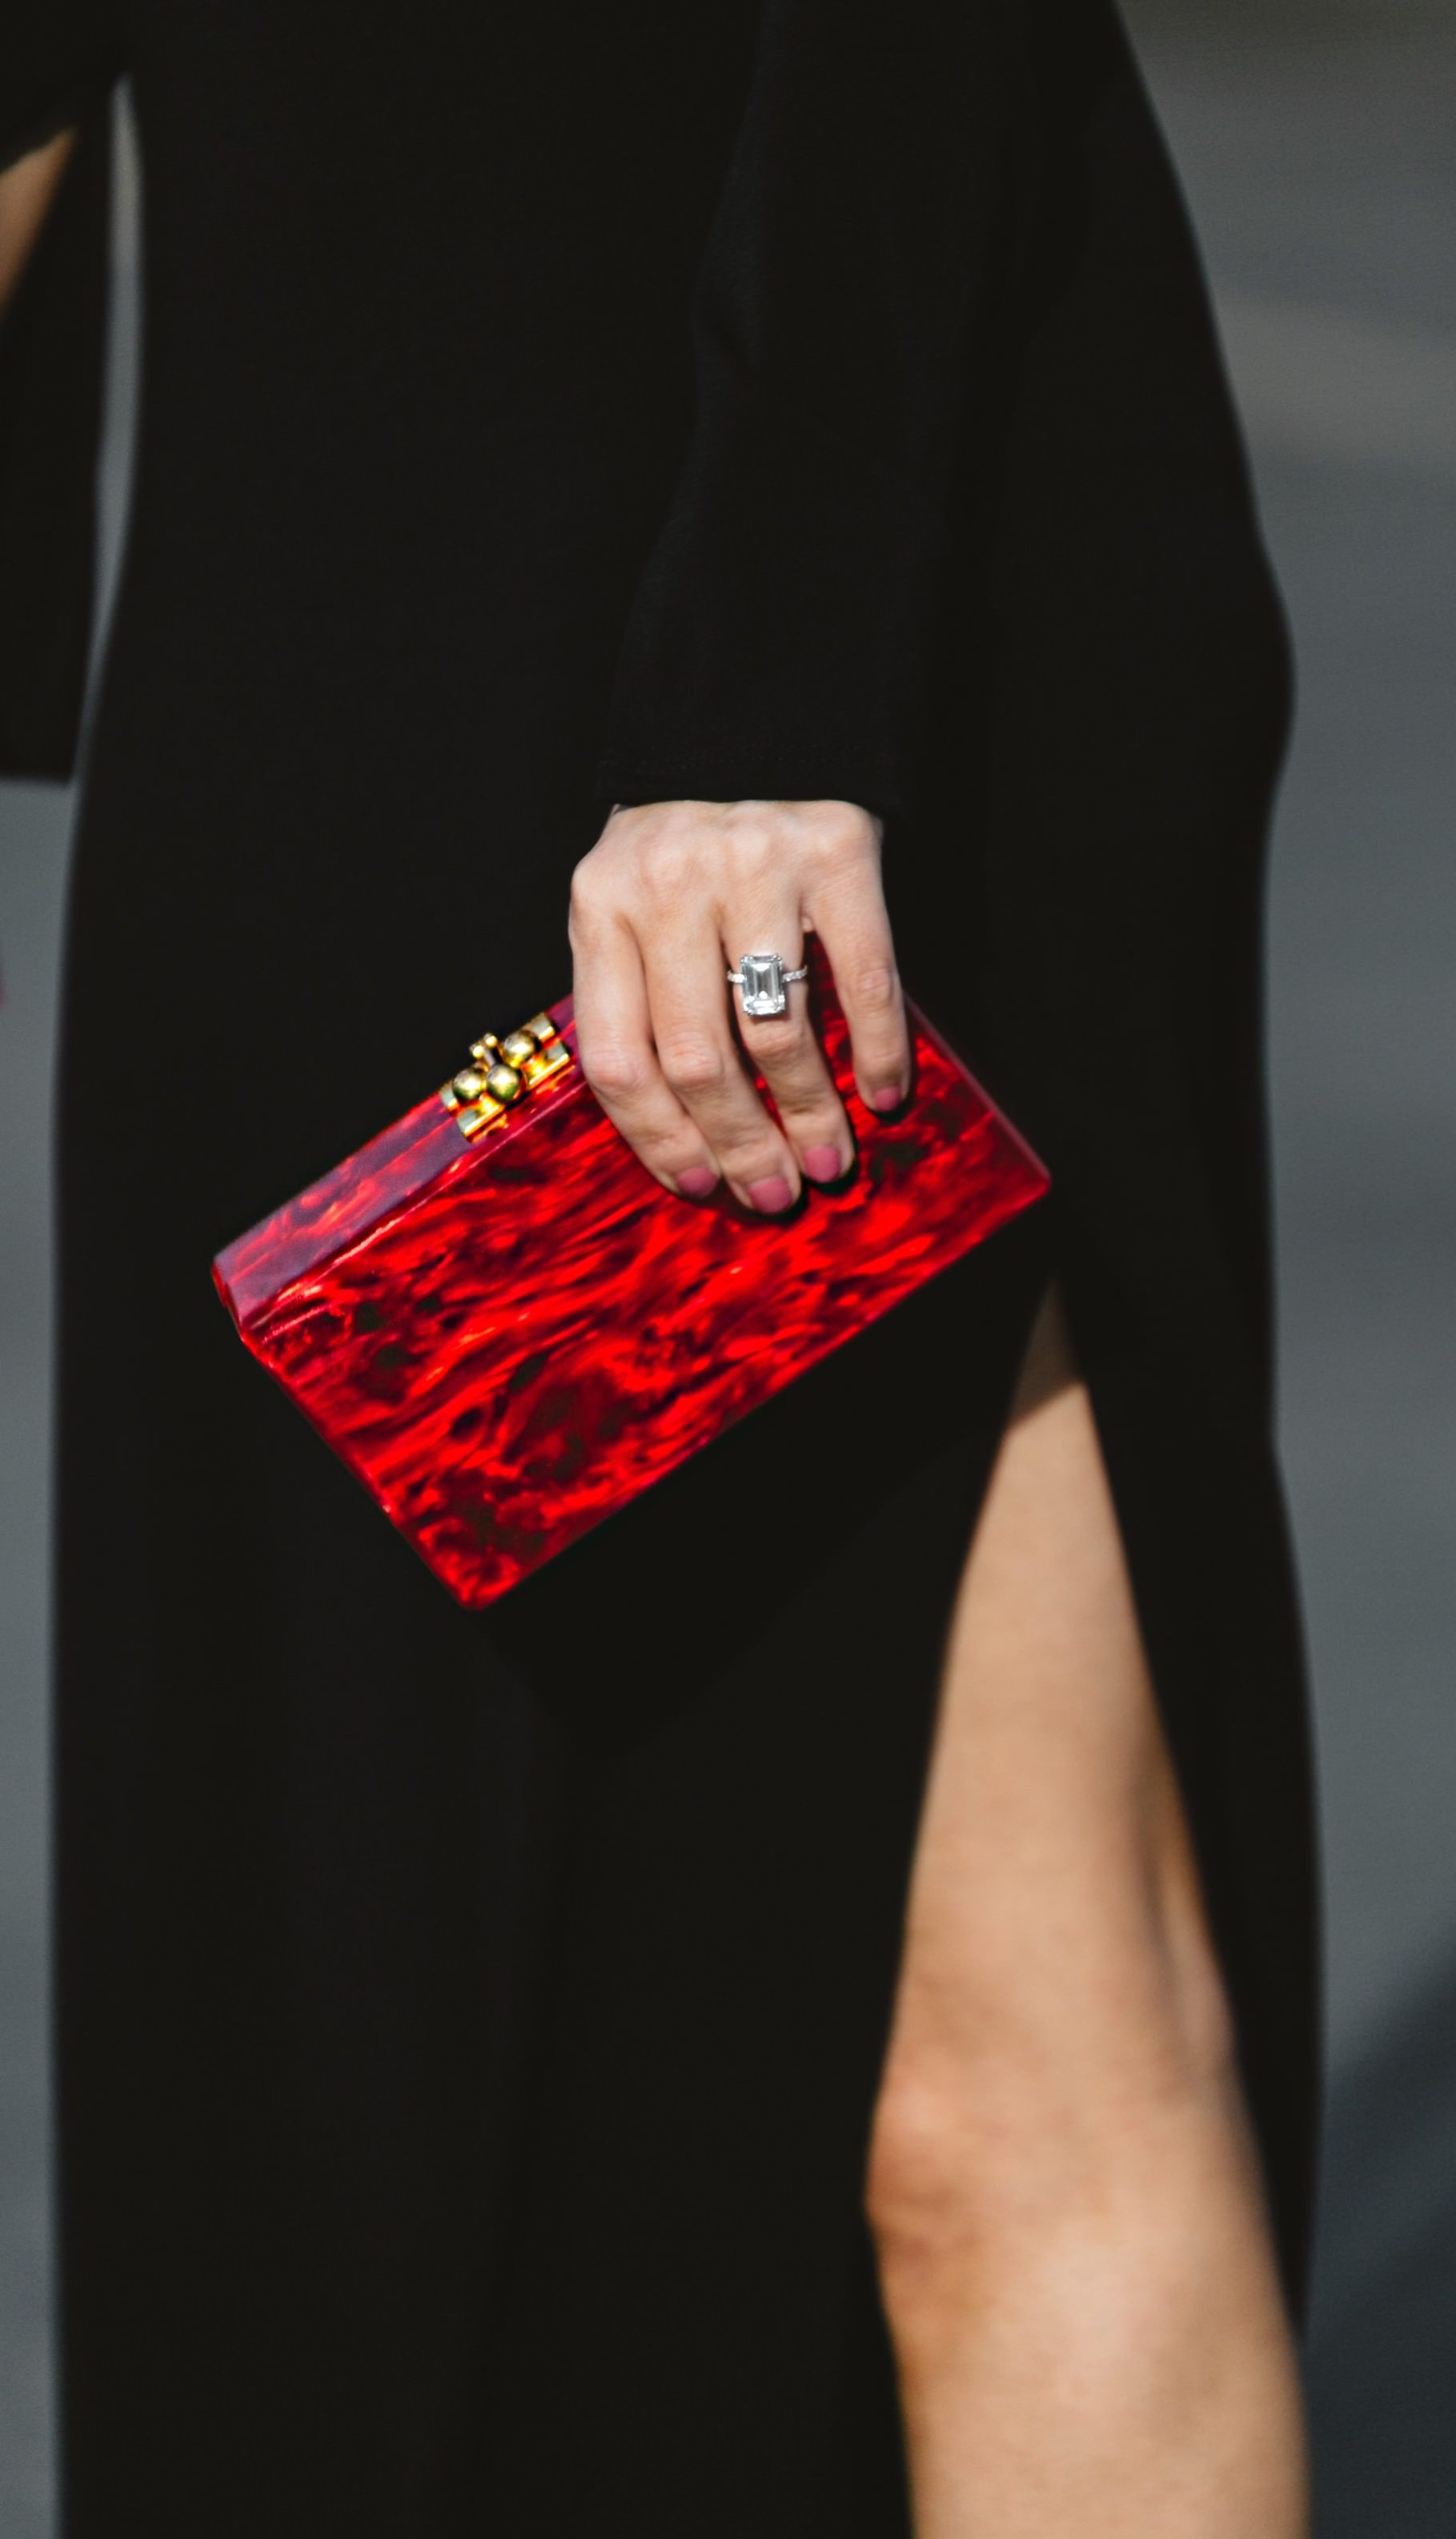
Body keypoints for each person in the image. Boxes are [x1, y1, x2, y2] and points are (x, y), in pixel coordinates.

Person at [2, 3, 1318, 2530]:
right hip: (324, 704)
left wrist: (771, 693)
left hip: (778, 685)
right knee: (380, 2052)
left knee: (985, 2069)